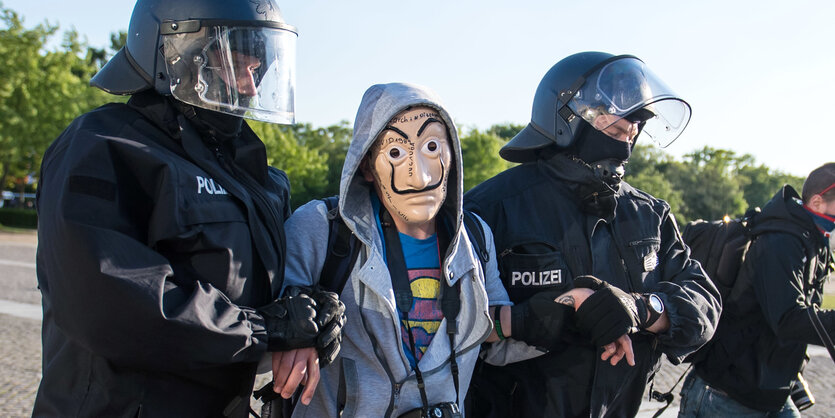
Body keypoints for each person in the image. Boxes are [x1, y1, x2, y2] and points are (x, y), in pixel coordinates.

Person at [33, 1, 345, 416]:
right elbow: (109, 299)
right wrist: (264, 329)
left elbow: (272, 287)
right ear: (179, 53)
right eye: (237, 66)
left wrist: (310, 310)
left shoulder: (258, 178)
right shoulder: (104, 146)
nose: (251, 88)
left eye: (257, 71)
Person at [463, 51, 722, 417]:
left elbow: (705, 304)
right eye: (614, 125)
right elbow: (441, 322)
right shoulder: (489, 208)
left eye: (633, 129)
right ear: (566, 116)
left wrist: (643, 308)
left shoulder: (650, 214)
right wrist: (531, 318)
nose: (627, 136)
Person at [280, 82, 536, 417]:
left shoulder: (475, 237)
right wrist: (294, 323)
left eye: (432, 147)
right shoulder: (320, 228)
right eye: (396, 153)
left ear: (452, 154)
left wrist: (564, 314)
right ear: (367, 165)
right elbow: (260, 338)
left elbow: (489, 334)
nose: (420, 177)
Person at [678, 162, 835, 417]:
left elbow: (810, 310)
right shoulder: (781, 242)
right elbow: (787, 319)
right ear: (817, 203)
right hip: (726, 393)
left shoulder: (814, 242)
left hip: (769, 392)